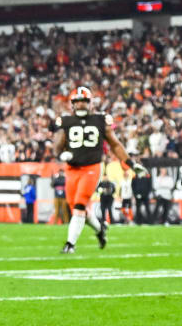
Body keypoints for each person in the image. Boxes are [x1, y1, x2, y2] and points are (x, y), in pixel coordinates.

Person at [53, 86, 145, 253]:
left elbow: (115, 144)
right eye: (77, 101)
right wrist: (61, 154)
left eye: (84, 101)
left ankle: (70, 244)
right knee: (77, 209)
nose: (80, 105)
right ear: (72, 104)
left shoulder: (101, 120)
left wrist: (130, 163)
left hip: (92, 167)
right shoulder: (66, 121)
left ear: (90, 103)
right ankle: (100, 229)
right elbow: (57, 145)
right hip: (72, 169)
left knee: (80, 205)